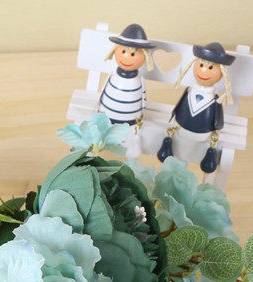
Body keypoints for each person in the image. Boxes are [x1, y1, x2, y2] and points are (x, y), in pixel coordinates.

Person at [157, 42, 236, 173]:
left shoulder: (215, 99)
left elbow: (217, 116)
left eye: (210, 68)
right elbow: (179, 106)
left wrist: (217, 127)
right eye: (201, 65)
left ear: (222, 72)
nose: (204, 70)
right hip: (180, 129)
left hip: (202, 135)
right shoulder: (189, 92)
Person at [97, 23, 154, 125]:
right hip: (105, 114)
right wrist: (99, 100)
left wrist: (143, 109)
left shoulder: (139, 80)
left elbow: (143, 96)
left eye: (133, 54)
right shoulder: (113, 74)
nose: (127, 57)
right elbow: (104, 88)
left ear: (145, 55)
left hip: (131, 119)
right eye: (123, 51)